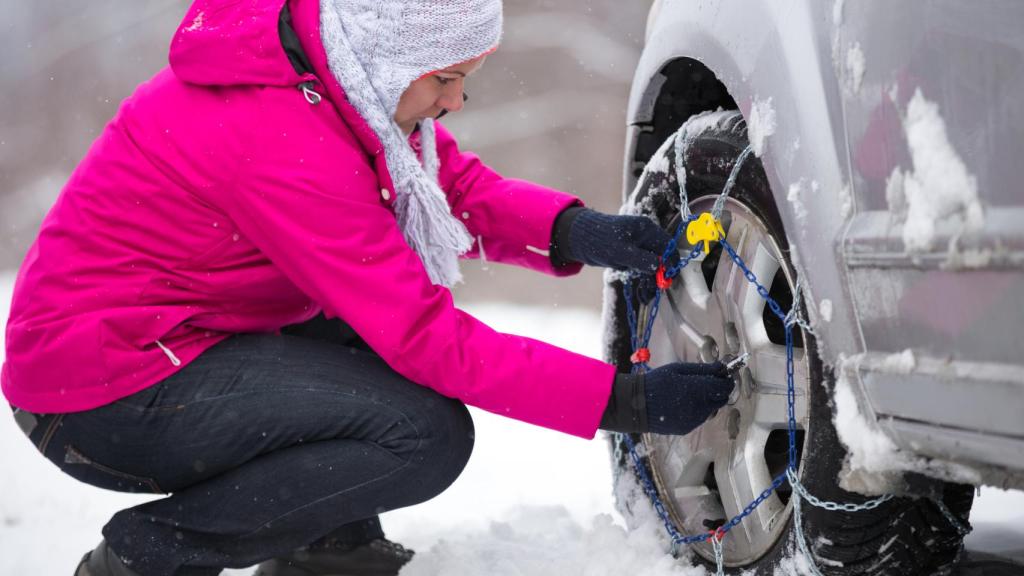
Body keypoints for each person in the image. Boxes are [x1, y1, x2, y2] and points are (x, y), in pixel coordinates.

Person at [1, 0, 735, 575]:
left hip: (167, 342)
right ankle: (149, 556)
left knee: (355, 341)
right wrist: (621, 402)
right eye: (445, 79)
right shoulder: (279, 134)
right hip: (101, 390)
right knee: (423, 436)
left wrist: (576, 232)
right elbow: (426, 339)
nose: (454, 102)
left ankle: (328, 547)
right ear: (389, 60)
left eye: (465, 81)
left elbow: (446, 187)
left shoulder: (327, 83)